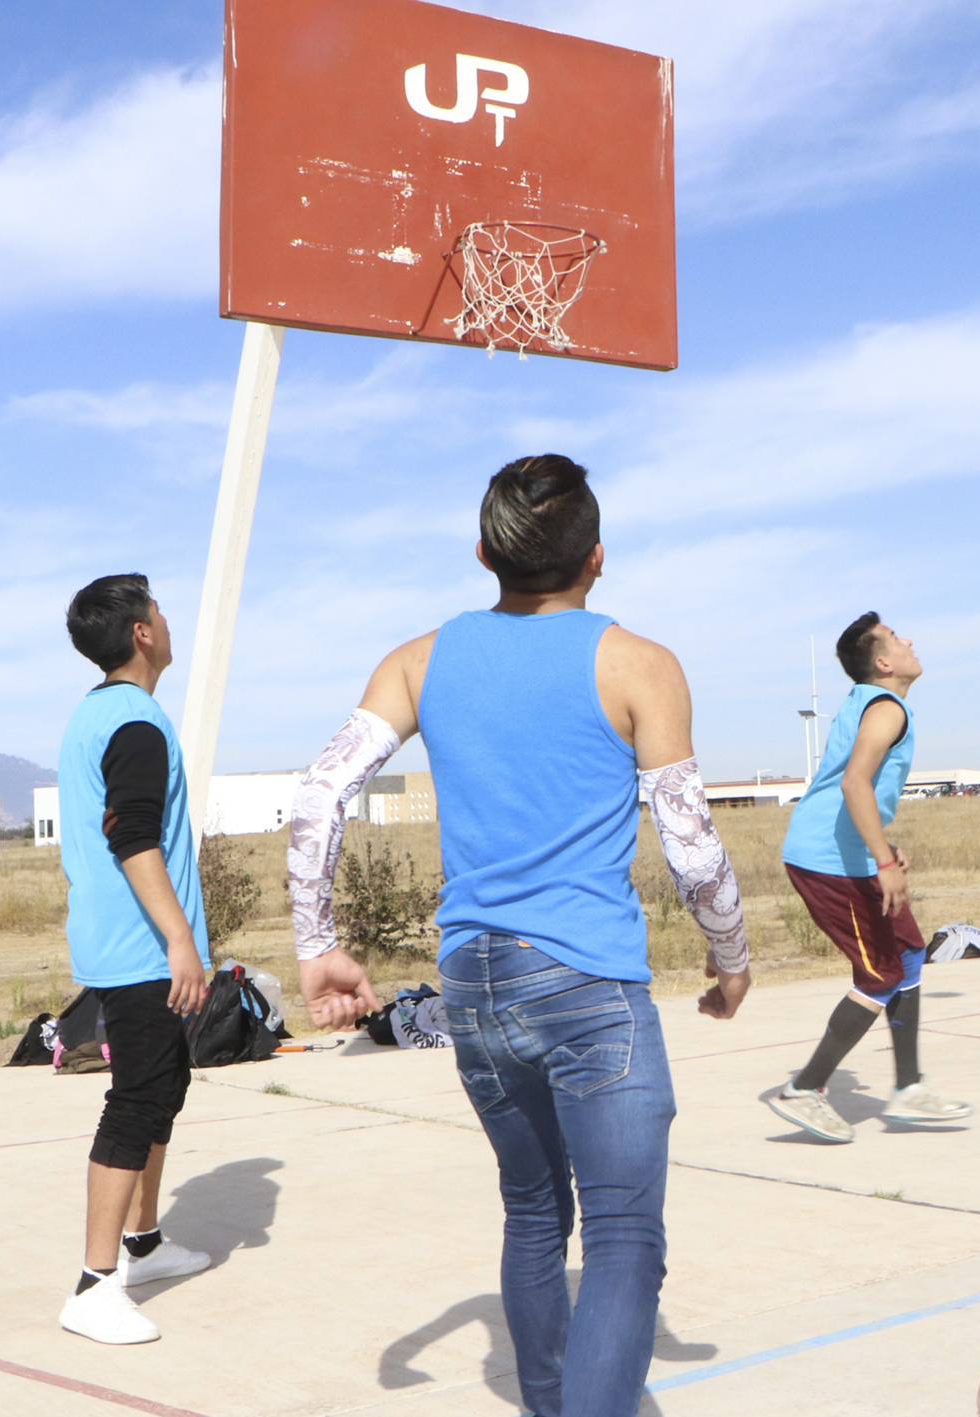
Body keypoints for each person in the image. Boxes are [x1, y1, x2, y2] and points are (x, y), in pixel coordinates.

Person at [285, 454, 752, 1417]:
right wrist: (730, 953)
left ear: (484, 553)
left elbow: (321, 792)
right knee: (623, 1238)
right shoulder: (639, 664)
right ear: (597, 558)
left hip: (475, 981)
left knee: (535, 1211)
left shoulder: (419, 659)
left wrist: (315, 937)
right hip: (586, 981)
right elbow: (693, 845)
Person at [53, 574, 217, 1344]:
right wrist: (180, 938)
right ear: (143, 632)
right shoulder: (136, 723)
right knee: (138, 1098)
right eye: (160, 608)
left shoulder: (101, 714)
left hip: (127, 941)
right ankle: (93, 1283)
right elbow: (133, 837)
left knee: (163, 1086)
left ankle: (143, 1243)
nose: (166, 617)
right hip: (139, 946)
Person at [767, 612, 970, 1145]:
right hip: (826, 862)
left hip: (848, 853)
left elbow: (852, 789)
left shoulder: (870, 704)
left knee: (907, 956)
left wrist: (880, 846)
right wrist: (882, 861)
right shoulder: (885, 708)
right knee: (879, 975)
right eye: (898, 639)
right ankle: (805, 1089)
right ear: (882, 662)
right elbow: (855, 782)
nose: (910, 641)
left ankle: (907, 1087)